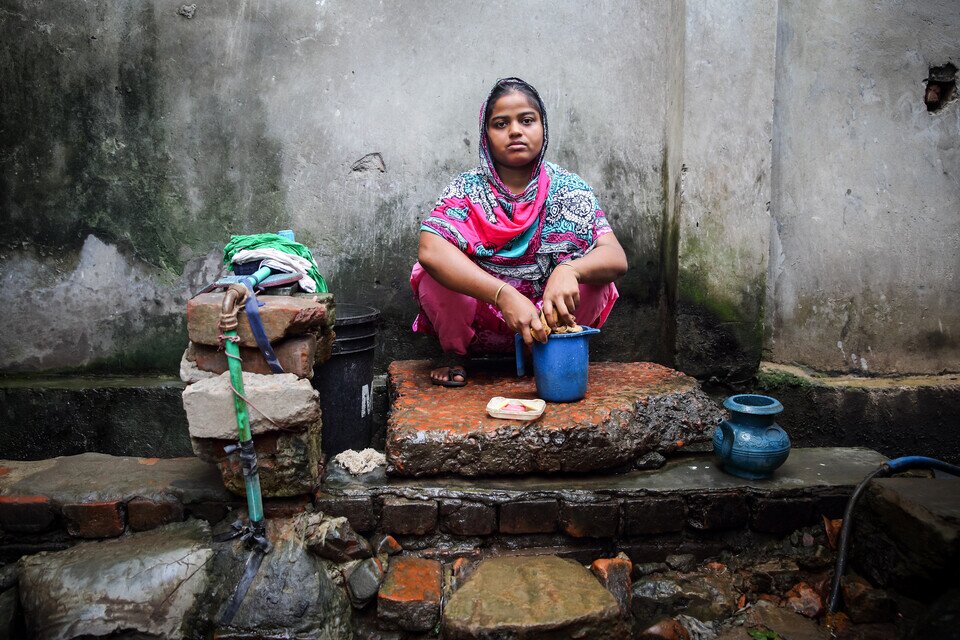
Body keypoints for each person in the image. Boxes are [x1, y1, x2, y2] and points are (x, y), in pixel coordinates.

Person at [411, 77, 628, 386]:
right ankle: (455, 353)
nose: (515, 131)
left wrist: (569, 269)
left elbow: (616, 256)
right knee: (433, 275)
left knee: (596, 279)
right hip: (483, 316)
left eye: (527, 120)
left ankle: (547, 352)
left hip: (545, 320)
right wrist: (503, 294)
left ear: (543, 126)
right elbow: (430, 249)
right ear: (486, 135)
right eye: (501, 124)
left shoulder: (568, 188)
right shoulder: (466, 189)